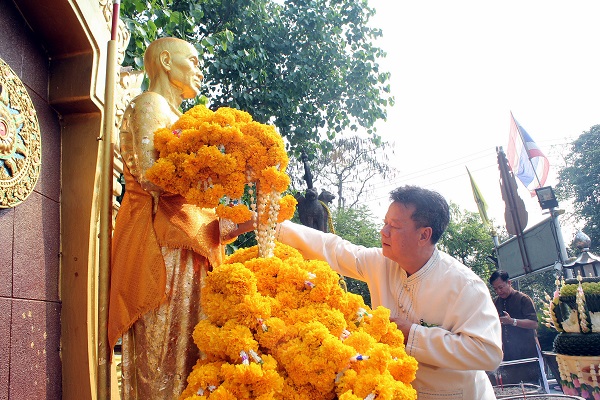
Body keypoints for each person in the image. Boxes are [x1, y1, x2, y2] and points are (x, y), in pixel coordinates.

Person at [227, 185, 503, 399]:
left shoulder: (464, 285)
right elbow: (333, 250)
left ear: (424, 235)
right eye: (385, 222)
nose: (383, 231)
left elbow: (488, 353)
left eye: (394, 226)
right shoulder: (382, 263)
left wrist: (413, 334)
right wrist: (269, 222)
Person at [108, 37, 225, 399]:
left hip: (194, 244)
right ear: (165, 61)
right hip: (163, 247)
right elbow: (150, 175)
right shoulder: (150, 104)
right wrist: (209, 169)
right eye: (193, 60)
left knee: (195, 360)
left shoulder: (186, 120)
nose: (200, 70)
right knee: (163, 365)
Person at [489, 270, 539, 361]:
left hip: (527, 351)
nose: (499, 291)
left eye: (501, 287)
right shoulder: (495, 303)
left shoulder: (523, 299)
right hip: (507, 353)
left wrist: (512, 321)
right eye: (495, 289)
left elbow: (534, 323)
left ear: (509, 283)